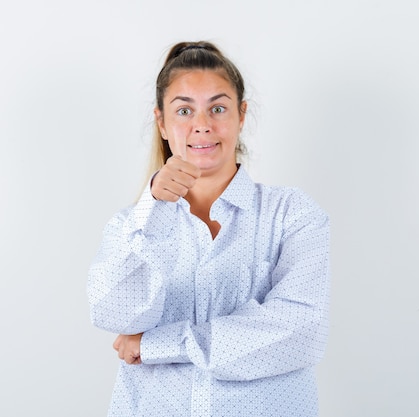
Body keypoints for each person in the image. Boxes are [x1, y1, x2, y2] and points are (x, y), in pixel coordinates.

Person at [87, 40, 330, 417]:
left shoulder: (292, 214)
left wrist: (158, 345)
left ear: (241, 115)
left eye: (218, 108)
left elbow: (299, 332)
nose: (202, 125)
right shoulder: (130, 225)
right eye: (184, 110)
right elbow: (115, 316)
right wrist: (155, 211)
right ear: (162, 123)